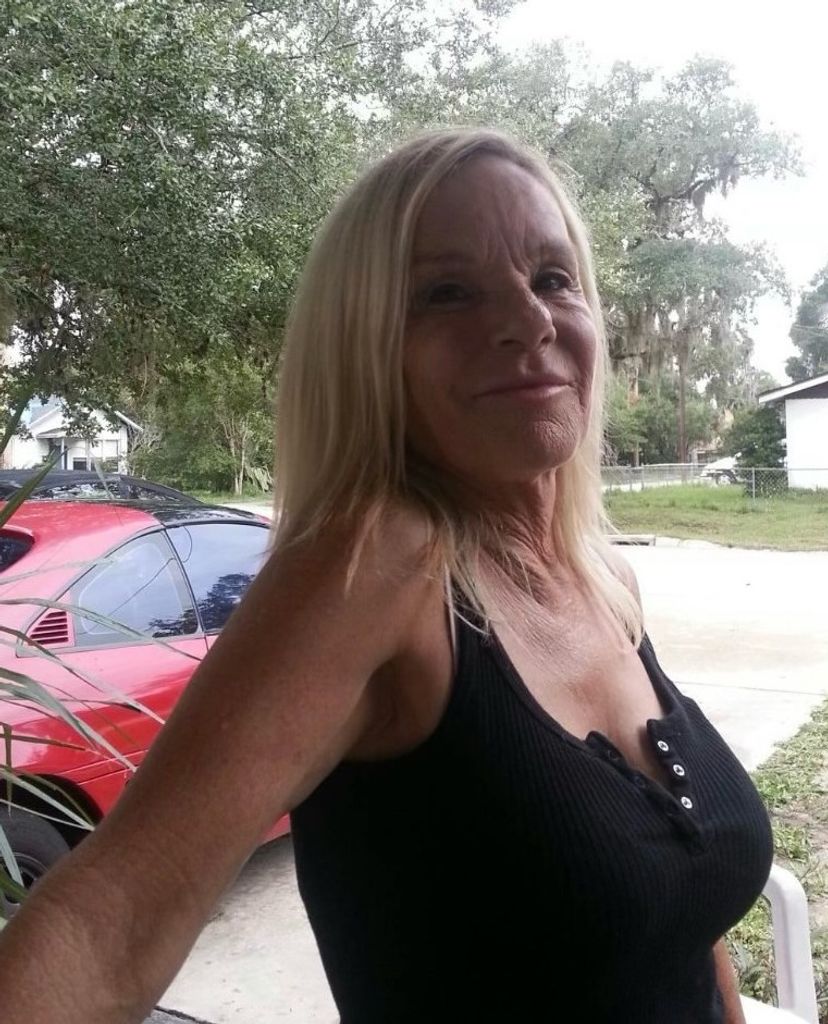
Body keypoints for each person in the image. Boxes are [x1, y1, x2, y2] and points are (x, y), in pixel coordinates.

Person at [0, 128, 772, 1023]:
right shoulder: (379, 565)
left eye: (553, 278)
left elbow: (684, 920)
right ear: (365, 348)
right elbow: (110, 923)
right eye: (447, 292)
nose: (528, 320)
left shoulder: (604, 583)